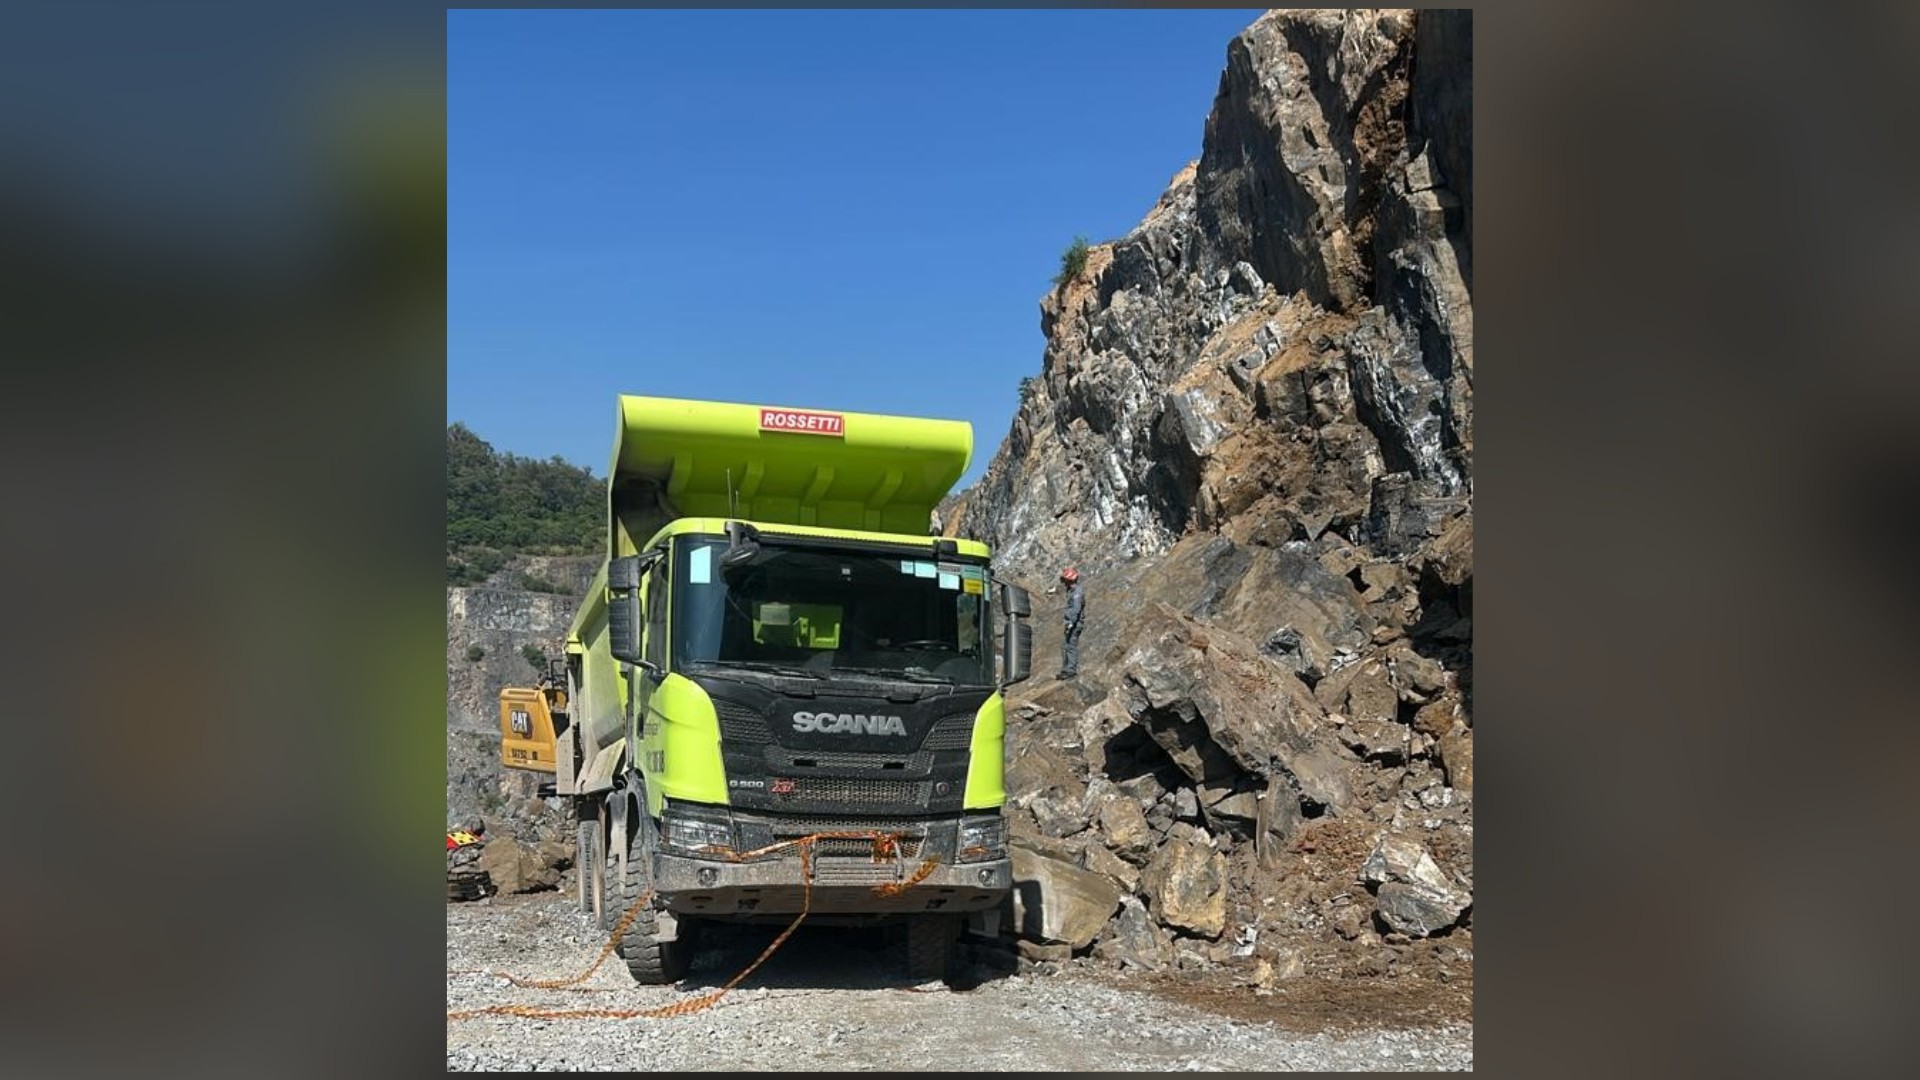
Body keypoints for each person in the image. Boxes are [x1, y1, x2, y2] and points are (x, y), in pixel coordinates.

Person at [1058, 566, 1085, 679]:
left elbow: (1076, 609)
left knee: (1071, 646)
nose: (1064, 583)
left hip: (1074, 623)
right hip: (1071, 622)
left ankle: (1071, 670)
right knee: (1066, 645)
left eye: (1065, 580)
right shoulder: (1072, 591)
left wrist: (1071, 622)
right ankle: (1067, 668)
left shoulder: (1076, 593)